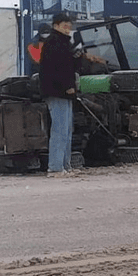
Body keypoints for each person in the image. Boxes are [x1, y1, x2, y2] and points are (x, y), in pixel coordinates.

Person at [40, 13, 105, 177]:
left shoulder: (64, 42)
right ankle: (55, 168)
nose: (68, 28)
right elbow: (59, 68)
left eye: (69, 25)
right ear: (56, 26)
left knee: (67, 129)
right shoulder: (55, 42)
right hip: (57, 92)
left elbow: (70, 65)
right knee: (60, 129)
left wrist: (79, 57)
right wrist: (68, 86)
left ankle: (65, 166)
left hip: (64, 92)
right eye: (64, 25)